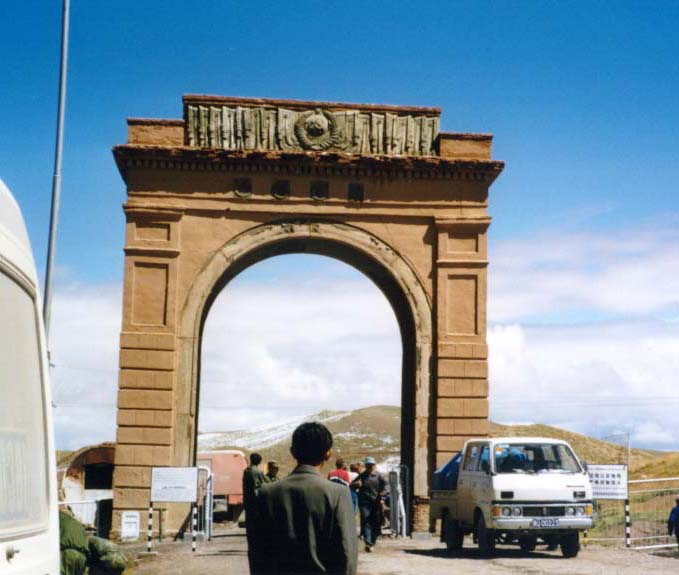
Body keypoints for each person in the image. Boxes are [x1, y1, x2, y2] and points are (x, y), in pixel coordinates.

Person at [253, 422, 357, 575]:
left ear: (293, 452)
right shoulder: (338, 493)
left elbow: (258, 552)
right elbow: (347, 553)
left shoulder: (266, 493)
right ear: (328, 453)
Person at [352, 456, 386, 552]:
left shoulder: (379, 476)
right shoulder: (362, 476)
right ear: (366, 466)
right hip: (365, 502)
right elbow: (351, 485)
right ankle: (368, 542)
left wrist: (383, 494)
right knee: (366, 520)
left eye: (371, 465)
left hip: (376, 502)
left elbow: (385, 486)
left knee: (375, 521)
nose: (370, 467)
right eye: (368, 465)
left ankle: (373, 540)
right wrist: (356, 484)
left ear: (374, 465)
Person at [243, 453, 266, 573]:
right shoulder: (257, 472)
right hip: (256, 506)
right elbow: (262, 487)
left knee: (250, 531)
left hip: (248, 504)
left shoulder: (246, 471)